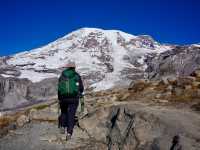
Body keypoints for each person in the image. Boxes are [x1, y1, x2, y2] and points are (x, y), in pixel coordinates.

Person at [58, 60, 84, 140]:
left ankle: (62, 127)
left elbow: (59, 89)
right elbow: (81, 88)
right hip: (73, 98)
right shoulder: (76, 75)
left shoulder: (62, 75)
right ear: (74, 67)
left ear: (67, 67)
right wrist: (80, 93)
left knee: (63, 112)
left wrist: (60, 98)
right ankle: (69, 133)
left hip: (63, 98)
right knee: (71, 114)